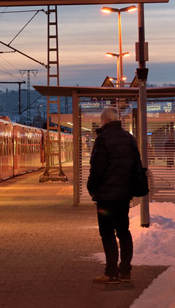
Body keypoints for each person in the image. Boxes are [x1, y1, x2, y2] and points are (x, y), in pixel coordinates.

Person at [87, 106, 142, 284]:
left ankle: (111, 273)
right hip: (123, 196)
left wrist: (91, 187)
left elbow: (97, 169)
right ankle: (125, 271)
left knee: (107, 233)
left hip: (106, 198)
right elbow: (136, 166)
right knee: (124, 231)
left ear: (105, 121)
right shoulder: (130, 139)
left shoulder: (102, 140)